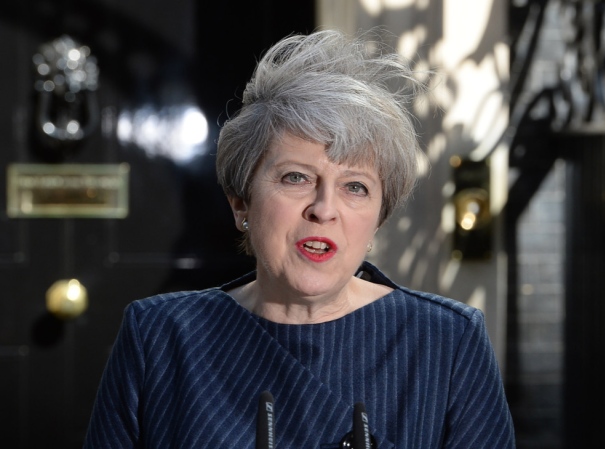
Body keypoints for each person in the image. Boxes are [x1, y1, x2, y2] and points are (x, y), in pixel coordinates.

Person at [83, 30, 515, 448]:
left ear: (377, 221)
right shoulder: (158, 337)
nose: (324, 208)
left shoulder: (447, 341)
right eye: (297, 178)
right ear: (241, 206)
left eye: (355, 187)